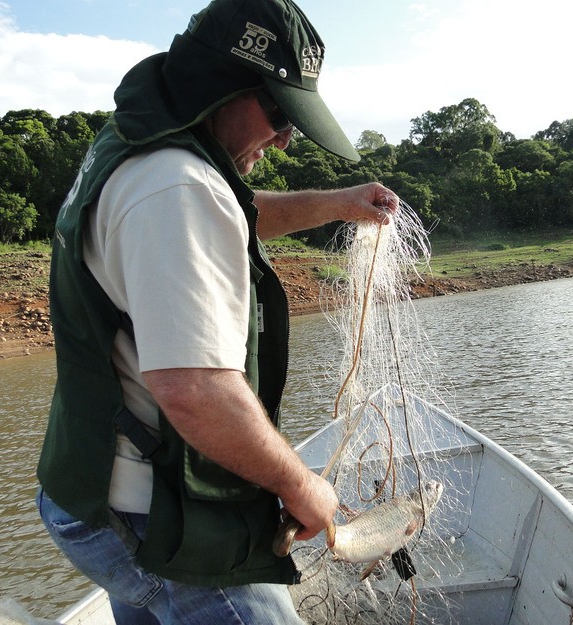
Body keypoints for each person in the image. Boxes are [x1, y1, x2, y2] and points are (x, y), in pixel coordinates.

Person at [34, 0, 398, 623]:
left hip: (92, 492)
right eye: (279, 113)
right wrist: (300, 485)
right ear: (220, 86)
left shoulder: (137, 146)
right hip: (157, 515)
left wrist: (337, 204)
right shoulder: (177, 185)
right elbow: (196, 389)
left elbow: (228, 213)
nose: (285, 138)